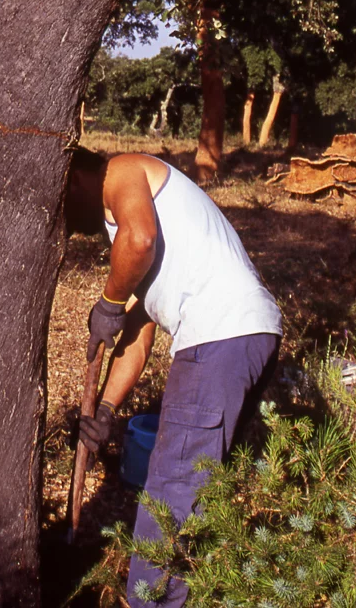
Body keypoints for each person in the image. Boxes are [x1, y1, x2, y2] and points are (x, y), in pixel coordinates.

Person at [67, 148, 281, 608]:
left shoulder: (120, 173)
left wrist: (108, 301)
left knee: (170, 495)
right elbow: (139, 342)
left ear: (75, 181)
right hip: (247, 333)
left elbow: (139, 240)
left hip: (218, 336)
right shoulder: (140, 222)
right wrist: (105, 411)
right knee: (200, 497)